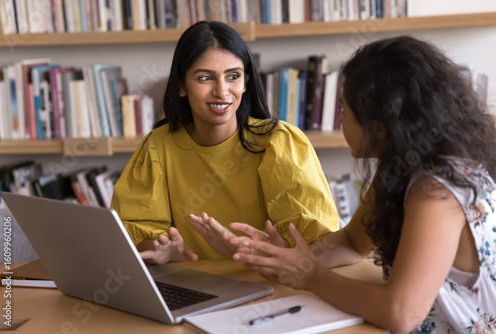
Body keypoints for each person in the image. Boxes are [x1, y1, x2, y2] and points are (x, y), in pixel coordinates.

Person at [232, 36, 496, 333]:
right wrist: (292, 260)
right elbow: (353, 243)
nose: (341, 121)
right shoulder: (401, 166)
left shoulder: (436, 191)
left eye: (344, 111)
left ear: (380, 128)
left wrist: (308, 275)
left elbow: (401, 313)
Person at [110, 20, 339, 264]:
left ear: (245, 83)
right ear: (181, 86)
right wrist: (161, 251)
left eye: (233, 76)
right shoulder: (157, 146)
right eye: (206, 78)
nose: (222, 91)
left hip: (269, 285)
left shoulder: (279, 142)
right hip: (192, 288)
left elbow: (316, 244)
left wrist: (247, 250)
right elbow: (134, 232)